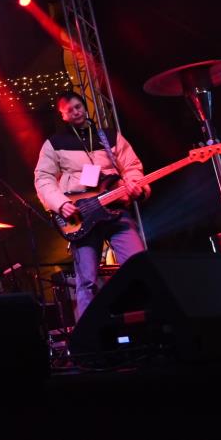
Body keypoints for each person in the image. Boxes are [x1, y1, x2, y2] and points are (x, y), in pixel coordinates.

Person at [33, 91, 149, 321]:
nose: (76, 112)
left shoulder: (109, 136)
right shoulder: (54, 143)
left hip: (115, 209)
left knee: (140, 266)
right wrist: (60, 204)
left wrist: (135, 184)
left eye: (78, 106)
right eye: (70, 110)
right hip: (82, 213)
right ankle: (89, 334)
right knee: (87, 281)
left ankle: (146, 322)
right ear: (62, 115)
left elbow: (132, 167)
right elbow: (43, 178)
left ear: (84, 107)